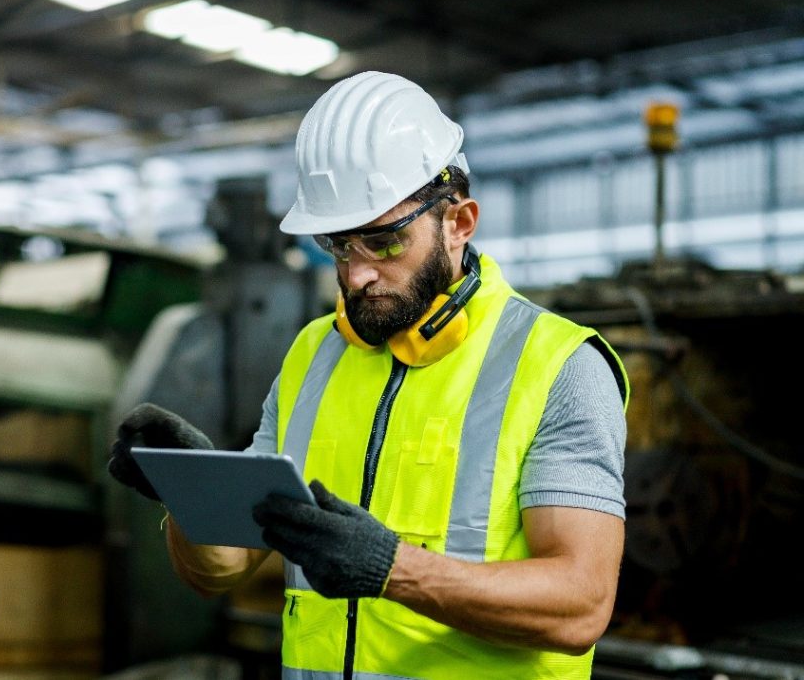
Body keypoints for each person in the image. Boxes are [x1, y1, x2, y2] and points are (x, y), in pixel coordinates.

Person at [109, 70, 629, 680]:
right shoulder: (314, 354)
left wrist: (393, 569)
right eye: (339, 245)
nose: (356, 275)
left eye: (384, 244)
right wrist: (192, 492)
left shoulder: (559, 367)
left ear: (458, 224)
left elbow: (580, 605)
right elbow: (220, 569)